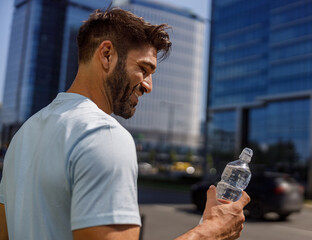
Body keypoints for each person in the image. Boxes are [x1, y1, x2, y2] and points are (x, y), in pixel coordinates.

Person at [0, 7, 250, 240]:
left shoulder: (25, 134)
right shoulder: (102, 134)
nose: (148, 86)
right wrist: (210, 232)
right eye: (144, 68)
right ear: (107, 55)